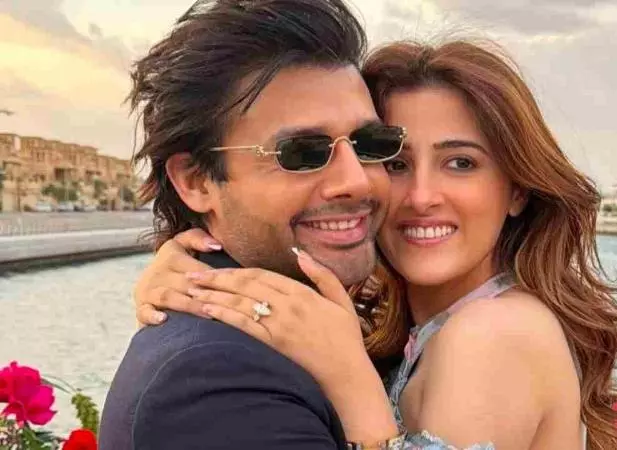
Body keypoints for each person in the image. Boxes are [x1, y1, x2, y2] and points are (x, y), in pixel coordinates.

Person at [133, 37, 617, 449]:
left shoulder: (492, 333)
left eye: (460, 163)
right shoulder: (434, 326)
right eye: (392, 159)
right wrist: (191, 276)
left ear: (517, 190)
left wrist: (354, 386)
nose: (421, 197)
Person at [99, 0, 406, 448]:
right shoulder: (216, 383)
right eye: (302, 152)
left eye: (370, 143)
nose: (357, 181)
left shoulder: (317, 329)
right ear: (196, 181)